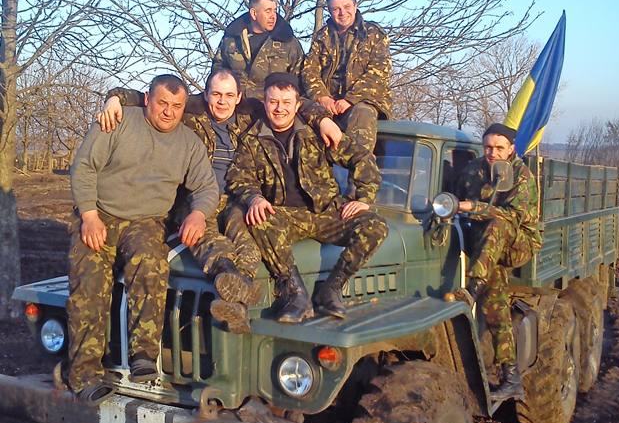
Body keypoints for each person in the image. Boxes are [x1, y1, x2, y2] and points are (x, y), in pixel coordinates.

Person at [99, 69, 342, 332]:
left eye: (229, 95)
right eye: (216, 94)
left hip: (238, 198)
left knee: (247, 241)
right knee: (206, 237)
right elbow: (152, 97)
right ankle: (230, 278)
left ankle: (237, 297)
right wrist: (114, 98)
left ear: (239, 97)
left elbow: (290, 101)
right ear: (206, 95)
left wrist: (323, 120)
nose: (222, 101)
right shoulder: (193, 112)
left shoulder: (252, 112)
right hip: (196, 198)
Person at [67, 75, 219, 405]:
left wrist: (198, 214)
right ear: (147, 98)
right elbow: (84, 168)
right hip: (101, 213)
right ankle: (85, 375)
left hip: (145, 221)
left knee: (151, 263)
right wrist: (89, 215)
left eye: (177, 106)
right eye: (162, 103)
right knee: (90, 282)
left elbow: (206, 188)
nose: (169, 112)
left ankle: (143, 358)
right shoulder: (118, 121)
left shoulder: (189, 143)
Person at [226, 73, 389, 324]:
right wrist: (254, 198)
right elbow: (240, 178)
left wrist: (364, 196)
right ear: (265, 102)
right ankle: (296, 294)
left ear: (297, 105)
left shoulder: (316, 132)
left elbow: (361, 157)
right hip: (284, 214)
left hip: (326, 211)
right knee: (257, 219)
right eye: (273, 102)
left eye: (286, 102)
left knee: (375, 225)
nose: (280, 108)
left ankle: (332, 289)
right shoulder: (252, 140)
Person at [453, 123, 542, 402]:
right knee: (496, 305)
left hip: (519, 240)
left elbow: (512, 216)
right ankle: (511, 378)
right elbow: (454, 198)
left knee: (498, 223)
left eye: (499, 148)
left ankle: (473, 286)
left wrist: (471, 207)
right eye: (488, 147)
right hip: (487, 245)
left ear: (511, 149)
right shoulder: (474, 170)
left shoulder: (521, 175)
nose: (492, 153)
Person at [301, 0, 392, 154]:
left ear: (355, 6)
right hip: (328, 102)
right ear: (330, 11)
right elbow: (309, 70)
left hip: (364, 101)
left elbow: (379, 73)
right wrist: (322, 96)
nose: (342, 13)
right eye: (336, 9)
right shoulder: (322, 37)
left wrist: (351, 99)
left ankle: (360, 177)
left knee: (361, 117)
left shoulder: (374, 34)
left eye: (347, 6)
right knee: (300, 114)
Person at [212, 0, 304, 99]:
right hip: (235, 107)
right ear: (254, 14)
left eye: (275, 11)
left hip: (272, 109)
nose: (273, 16)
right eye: (268, 11)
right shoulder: (232, 39)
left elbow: (298, 82)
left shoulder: (288, 43)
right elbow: (217, 71)